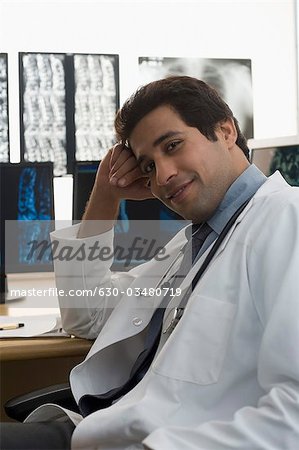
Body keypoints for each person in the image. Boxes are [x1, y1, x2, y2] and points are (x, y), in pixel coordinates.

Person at [2, 76, 299, 449]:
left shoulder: (286, 220)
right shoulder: (193, 242)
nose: (162, 175)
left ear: (225, 131)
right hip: (100, 426)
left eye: (173, 146)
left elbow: (292, 418)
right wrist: (107, 192)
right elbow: (86, 311)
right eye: (147, 167)